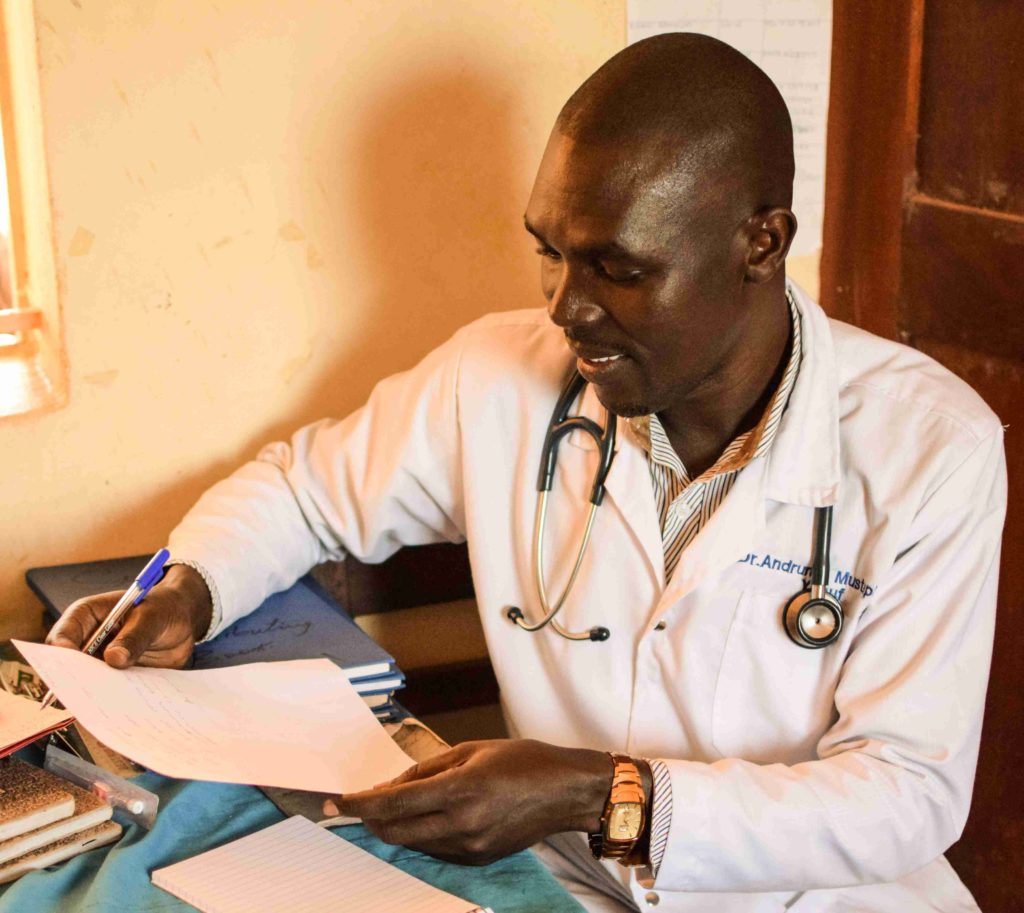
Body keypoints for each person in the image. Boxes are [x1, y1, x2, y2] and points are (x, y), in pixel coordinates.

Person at [49, 34, 1005, 913]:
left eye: (617, 269)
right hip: (565, 888)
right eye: (548, 253)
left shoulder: (931, 451)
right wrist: (193, 585)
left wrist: (600, 793)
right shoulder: (495, 378)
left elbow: (906, 794)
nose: (565, 308)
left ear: (760, 243)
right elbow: (304, 490)